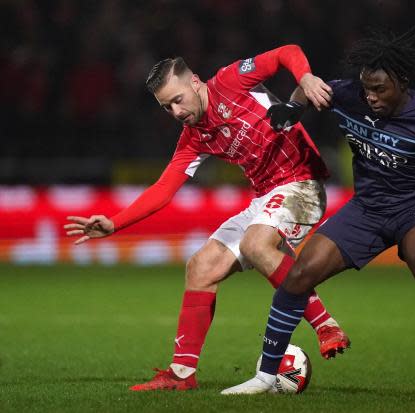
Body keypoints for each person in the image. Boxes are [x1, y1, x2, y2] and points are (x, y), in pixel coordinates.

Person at [222, 31, 415, 397]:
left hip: (412, 207)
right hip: (366, 209)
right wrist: (295, 108)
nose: (370, 96)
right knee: (300, 274)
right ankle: (264, 376)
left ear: (402, 83)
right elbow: (309, 89)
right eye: (366, 88)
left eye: (379, 89)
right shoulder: (347, 94)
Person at [64, 45, 350, 391]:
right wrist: (114, 223)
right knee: (200, 267)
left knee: (256, 243)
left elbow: (285, 53)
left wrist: (304, 78)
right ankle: (181, 374)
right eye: (166, 106)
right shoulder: (193, 138)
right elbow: (164, 189)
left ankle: (325, 325)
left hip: (301, 183)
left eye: (178, 99)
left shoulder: (231, 80)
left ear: (196, 83)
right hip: (265, 198)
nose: (175, 110)